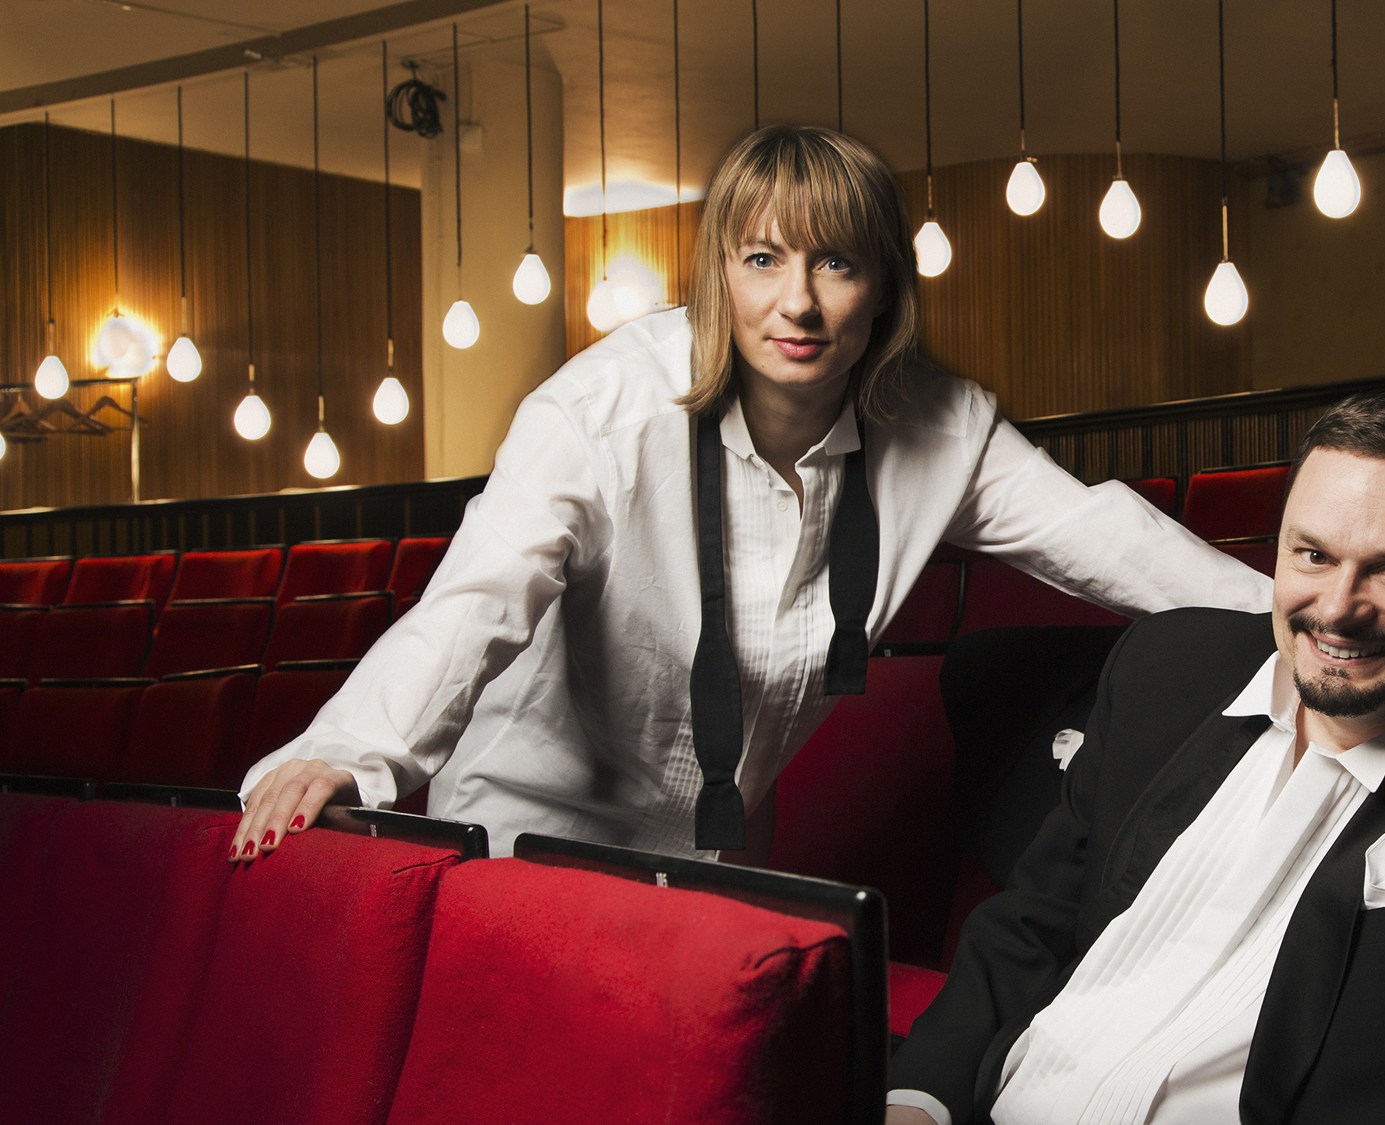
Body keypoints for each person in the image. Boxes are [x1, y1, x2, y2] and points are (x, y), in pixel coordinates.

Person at [230, 125, 1268, 863]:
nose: (796, 303)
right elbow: (477, 600)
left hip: (721, 854)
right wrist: (345, 754)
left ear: (884, 286)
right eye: (762, 258)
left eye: (837, 263)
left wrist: (1306, 618)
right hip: (529, 841)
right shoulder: (598, 412)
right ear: (717, 271)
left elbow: (1106, 538)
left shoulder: (939, 427)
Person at [886, 391, 1385, 1125]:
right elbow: (1032, 925)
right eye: (1313, 554)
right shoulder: (1165, 666)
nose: (1337, 610)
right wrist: (919, 1099)